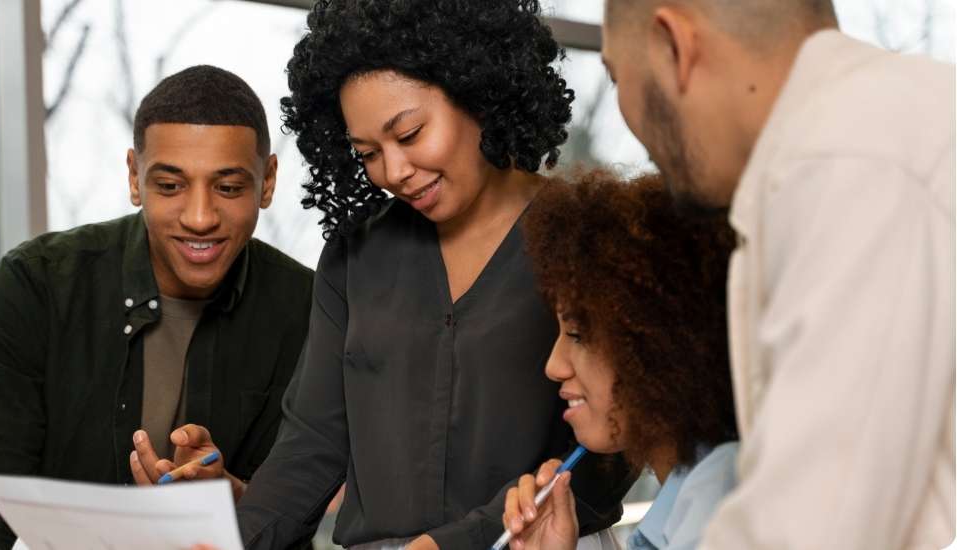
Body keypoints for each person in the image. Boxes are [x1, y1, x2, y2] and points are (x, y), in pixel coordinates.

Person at [228, 1, 631, 549]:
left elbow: (612, 449)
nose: (392, 172)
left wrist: (458, 542)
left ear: (477, 92)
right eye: (367, 152)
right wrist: (229, 542)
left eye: (411, 133)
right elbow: (311, 443)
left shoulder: (588, 238)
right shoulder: (355, 255)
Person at [599, 1, 955, 548]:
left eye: (617, 76)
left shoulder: (850, 161)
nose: (632, 126)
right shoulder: (881, 126)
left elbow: (810, 527)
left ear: (674, 45)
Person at [0, 65, 314, 549]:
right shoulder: (34, 287)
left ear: (267, 181)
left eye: (228, 188)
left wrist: (233, 500)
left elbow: (303, 512)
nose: (200, 217)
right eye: (170, 186)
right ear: (134, 176)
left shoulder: (307, 310)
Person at [500, 171, 738, 550]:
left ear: (660, 341)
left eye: (577, 334)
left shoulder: (723, 513)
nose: (554, 366)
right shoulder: (688, 508)